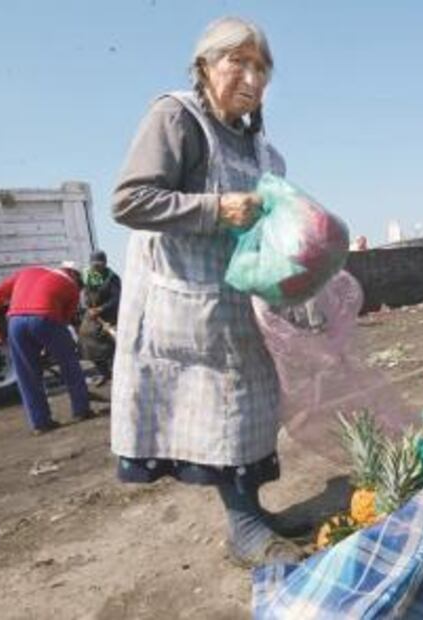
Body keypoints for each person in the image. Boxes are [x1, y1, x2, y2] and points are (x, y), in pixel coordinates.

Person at [110, 17, 304, 567]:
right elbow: (129, 200)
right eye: (237, 62)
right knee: (220, 413)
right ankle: (243, 528)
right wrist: (216, 209)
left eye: (261, 67)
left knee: (252, 409)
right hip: (187, 301)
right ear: (203, 66)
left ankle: (254, 512)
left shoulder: (263, 151)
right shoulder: (176, 118)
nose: (252, 78)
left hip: (242, 304)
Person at [0, 262, 94, 435]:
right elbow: (64, 321)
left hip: (15, 322)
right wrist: (48, 346)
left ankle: (40, 423)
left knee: (26, 374)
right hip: (46, 318)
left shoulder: (28, 271)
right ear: (74, 275)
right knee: (69, 364)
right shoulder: (71, 286)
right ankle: (81, 409)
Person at [79, 250, 121, 387]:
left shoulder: (112, 278)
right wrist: (87, 306)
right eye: (94, 264)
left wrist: (101, 309)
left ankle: (118, 374)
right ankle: (104, 373)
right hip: (91, 315)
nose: (96, 267)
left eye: (99, 264)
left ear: (105, 263)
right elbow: (84, 294)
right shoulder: (87, 276)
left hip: (109, 316)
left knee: (111, 345)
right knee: (86, 338)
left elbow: (116, 299)